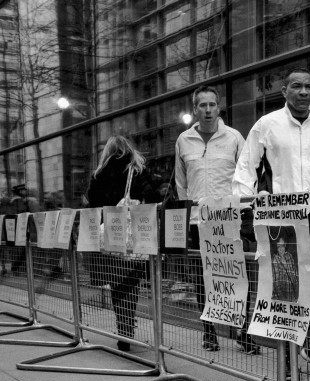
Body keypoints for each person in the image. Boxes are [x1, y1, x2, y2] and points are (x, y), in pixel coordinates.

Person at [233, 67, 310, 378]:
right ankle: (287, 353)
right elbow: (245, 168)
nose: (304, 92)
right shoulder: (266, 125)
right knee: (285, 286)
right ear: (284, 91)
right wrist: (250, 198)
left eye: (309, 86)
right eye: (297, 86)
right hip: (283, 213)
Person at [174, 85, 246, 352]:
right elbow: (181, 183)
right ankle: (209, 330)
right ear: (195, 109)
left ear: (219, 107)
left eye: (212, 105)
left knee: (236, 275)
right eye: (202, 105)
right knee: (204, 277)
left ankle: (243, 331)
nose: (207, 110)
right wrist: (193, 209)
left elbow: (245, 177)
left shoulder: (235, 138)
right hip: (198, 221)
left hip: (228, 219)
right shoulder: (183, 140)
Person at [85, 135, 160, 352]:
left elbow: (92, 202)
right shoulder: (136, 171)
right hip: (132, 235)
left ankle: (123, 328)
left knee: (116, 284)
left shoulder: (99, 174)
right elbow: (151, 196)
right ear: (129, 149)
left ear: (107, 152)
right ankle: (126, 329)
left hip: (109, 233)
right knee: (130, 284)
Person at [271, 234, 299, 301]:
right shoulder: (275, 259)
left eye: (282, 246)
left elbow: (295, 276)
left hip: (292, 296)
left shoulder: (289, 256)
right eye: (278, 247)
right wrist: (284, 302)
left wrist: (297, 297)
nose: (281, 249)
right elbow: (276, 283)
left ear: (285, 245)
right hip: (281, 298)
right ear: (276, 247)